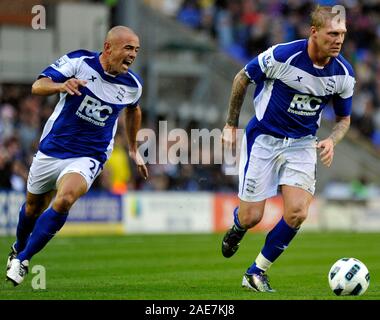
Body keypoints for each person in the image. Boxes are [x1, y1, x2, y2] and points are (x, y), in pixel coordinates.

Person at [221, 5, 354, 292]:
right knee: (251, 217)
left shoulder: (344, 74)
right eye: (333, 33)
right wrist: (231, 124)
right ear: (314, 32)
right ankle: (238, 227)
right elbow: (241, 78)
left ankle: (256, 272)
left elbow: (344, 119)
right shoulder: (282, 56)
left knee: (297, 213)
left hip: (302, 144)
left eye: (342, 34)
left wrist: (332, 139)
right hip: (264, 140)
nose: (339, 40)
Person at [6, 26, 148, 286]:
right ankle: (17, 247)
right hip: (53, 149)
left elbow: (134, 110)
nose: (133, 55)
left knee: (65, 199)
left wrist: (133, 148)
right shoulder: (79, 62)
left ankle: (23, 259)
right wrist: (62, 84)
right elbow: (38, 86)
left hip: (89, 155)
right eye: (128, 48)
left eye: (136, 50)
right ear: (108, 47)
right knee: (32, 208)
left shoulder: (133, 85)